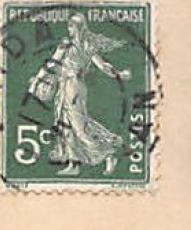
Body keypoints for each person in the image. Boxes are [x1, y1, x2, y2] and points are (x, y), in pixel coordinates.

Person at [28, 12, 131, 176]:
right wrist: (37, 81)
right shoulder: (66, 44)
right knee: (65, 122)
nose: (70, 29)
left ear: (80, 27)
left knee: (77, 125)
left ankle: (107, 153)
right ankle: (73, 163)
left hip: (74, 87)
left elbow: (102, 66)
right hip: (65, 85)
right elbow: (52, 63)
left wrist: (118, 74)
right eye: (69, 26)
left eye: (73, 26)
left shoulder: (86, 45)